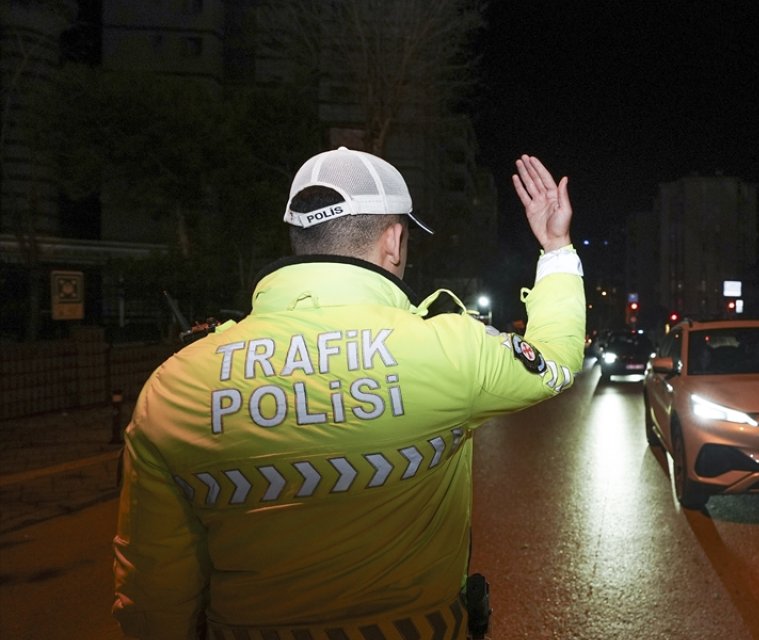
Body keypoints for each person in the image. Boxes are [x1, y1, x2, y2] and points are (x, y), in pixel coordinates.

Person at [112, 147, 585, 639]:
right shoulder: (448, 350)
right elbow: (555, 360)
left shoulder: (177, 384)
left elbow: (152, 586)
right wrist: (555, 247)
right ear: (394, 241)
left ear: (300, 238)